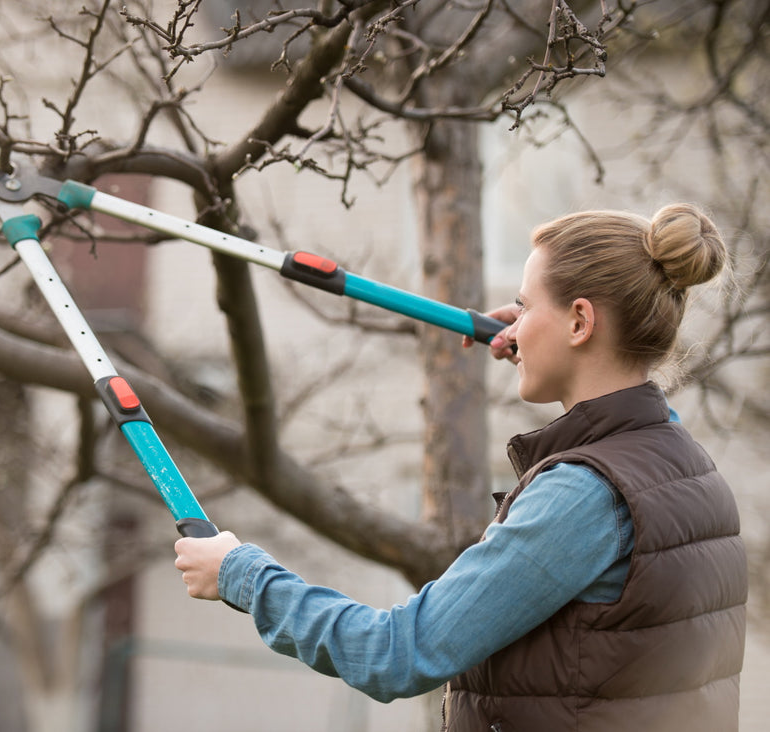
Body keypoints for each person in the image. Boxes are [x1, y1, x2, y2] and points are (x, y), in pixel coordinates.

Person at [174, 203, 747, 731]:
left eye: (524, 305)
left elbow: (397, 654)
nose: (513, 324)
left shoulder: (582, 495)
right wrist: (541, 341)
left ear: (579, 322)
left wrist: (241, 575)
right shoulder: (684, 464)